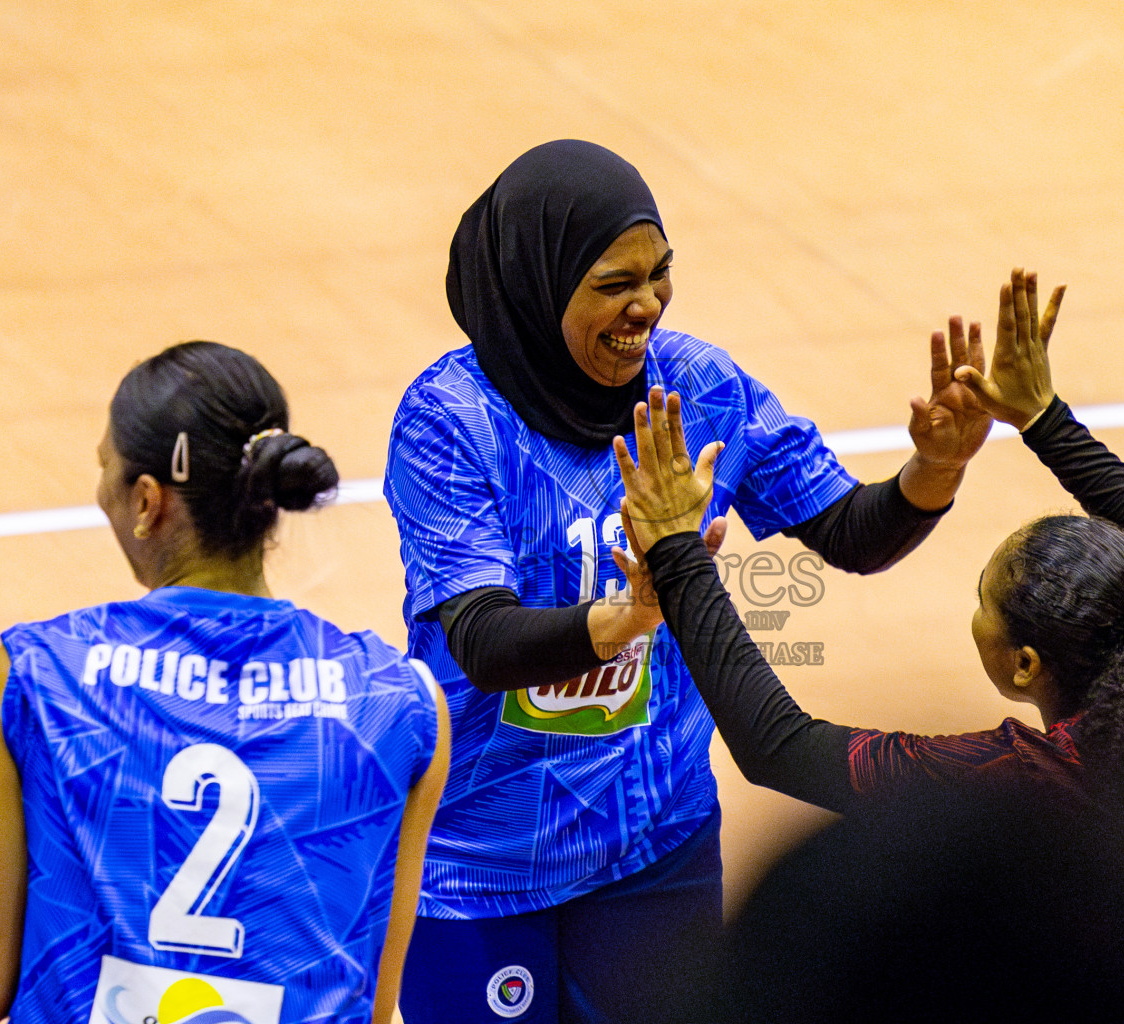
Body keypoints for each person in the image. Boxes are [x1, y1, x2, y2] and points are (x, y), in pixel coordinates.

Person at [616, 270, 1124, 1023]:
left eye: (982, 601)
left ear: (1024, 664)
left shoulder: (1035, 773)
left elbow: (780, 747)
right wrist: (1042, 416)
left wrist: (678, 556)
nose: (973, 612)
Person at [383, 139, 992, 1023]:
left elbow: (848, 534)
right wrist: (626, 618)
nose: (646, 307)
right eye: (613, 284)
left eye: (660, 275)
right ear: (537, 283)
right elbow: (480, 639)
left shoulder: (699, 385)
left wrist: (932, 470)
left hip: (656, 847)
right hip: (485, 862)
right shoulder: (451, 421)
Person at [0, 341, 450, 1024]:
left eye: (108, 469)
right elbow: (376, 999)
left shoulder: (39, 673)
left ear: (147, 502)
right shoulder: (399, 700)